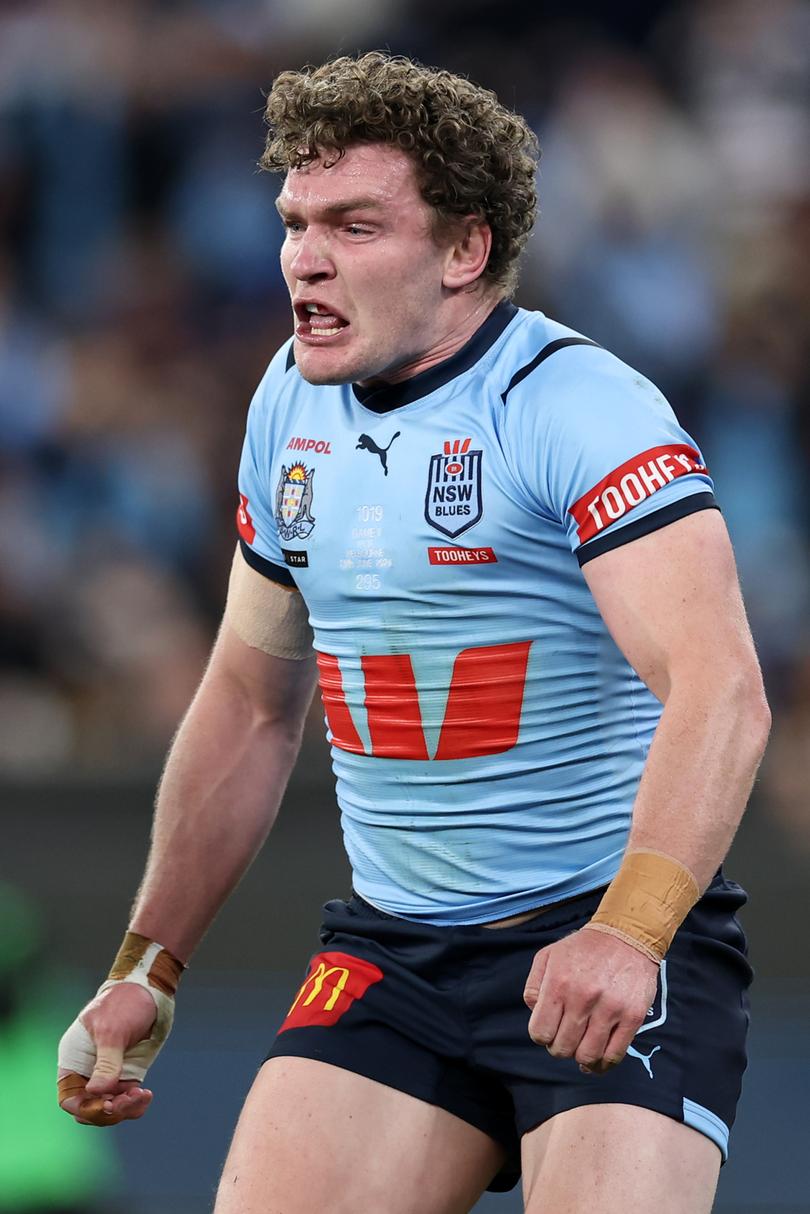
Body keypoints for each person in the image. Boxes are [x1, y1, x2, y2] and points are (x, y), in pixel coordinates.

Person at [57, 52, 770, 1214]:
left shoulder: (579, 407)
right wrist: (151, 962)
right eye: (294, 221)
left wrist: (628, 933)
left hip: (609, 934)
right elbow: (246, 703)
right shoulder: (287, 401)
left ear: (463, 250)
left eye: (353, 223)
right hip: (398, 953)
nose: (304, 258)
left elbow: (721, 688)